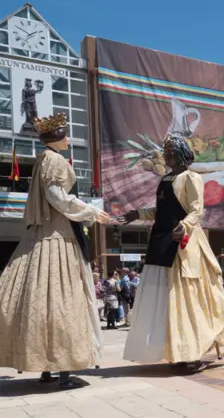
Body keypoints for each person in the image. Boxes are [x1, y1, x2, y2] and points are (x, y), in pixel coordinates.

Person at [0, 113, 110, 388]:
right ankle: (62, 372)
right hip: (58, 236)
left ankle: (46, 370)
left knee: (43, 302)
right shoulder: (55, 160)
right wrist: (91, 210)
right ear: (57, 137)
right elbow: (58, 197)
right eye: (65, 134)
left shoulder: (42, 160)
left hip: (43, 235)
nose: (69, 139)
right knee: (64, 301)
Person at [121, 136, 224, 370]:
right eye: (166, 151)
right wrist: (139, 214)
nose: (166, 155)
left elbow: (196, 210)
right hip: (161, 239)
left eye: (171, 151)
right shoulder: (165, 178)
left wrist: (184, 226)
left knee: (186, 297)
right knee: (168, 299)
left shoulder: (191, 178)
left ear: (182, 154)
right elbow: (162, 212)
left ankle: (191, 354)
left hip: (183, 241)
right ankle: (178, 352)